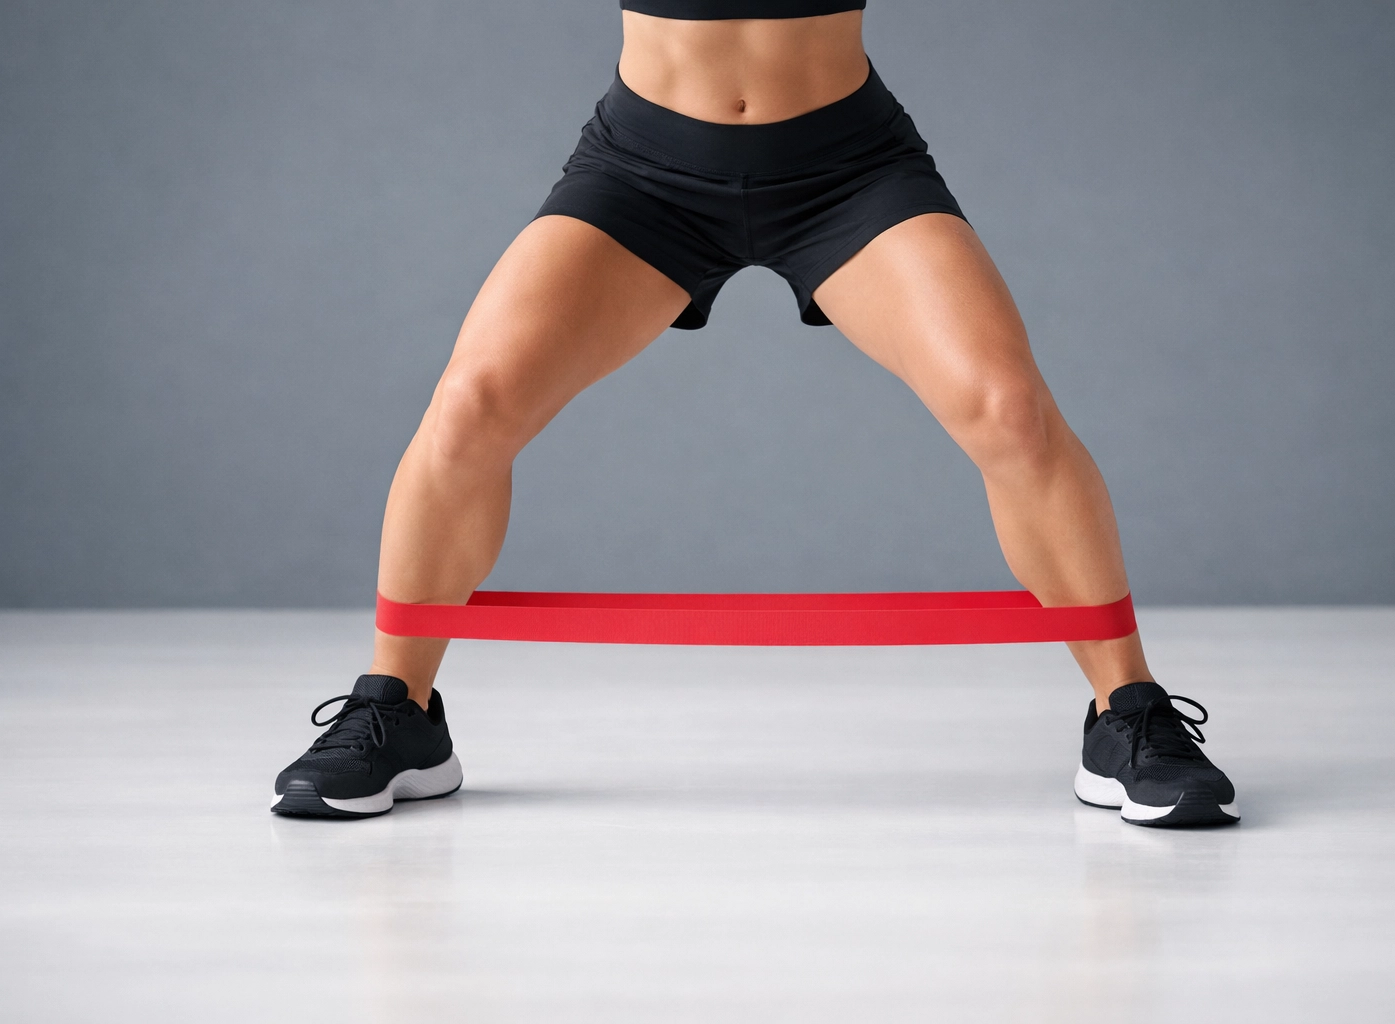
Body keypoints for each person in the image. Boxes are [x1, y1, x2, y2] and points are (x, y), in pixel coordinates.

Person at [270, 1, 1239, 828]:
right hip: (646, 166)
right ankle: (398, 708)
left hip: (844, 165)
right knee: (472, 402)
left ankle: (1128, 712)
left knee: (1008, 408)